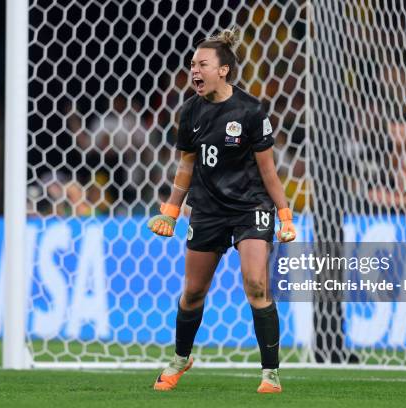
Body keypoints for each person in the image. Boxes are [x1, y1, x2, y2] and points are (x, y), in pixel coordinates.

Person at [147, 28, 296, 394]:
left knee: (256, 283)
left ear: (223, 70)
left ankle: (270, 373)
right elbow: (185, 166)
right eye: (192, 65)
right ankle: (182, 358)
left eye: (202, 64)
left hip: (250, 207)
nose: (194, 70)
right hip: (207, 209)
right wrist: (171, 210)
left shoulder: (250, 111)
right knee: (193, 292)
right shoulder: (190, 111)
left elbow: (268, 171)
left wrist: (285, 215)